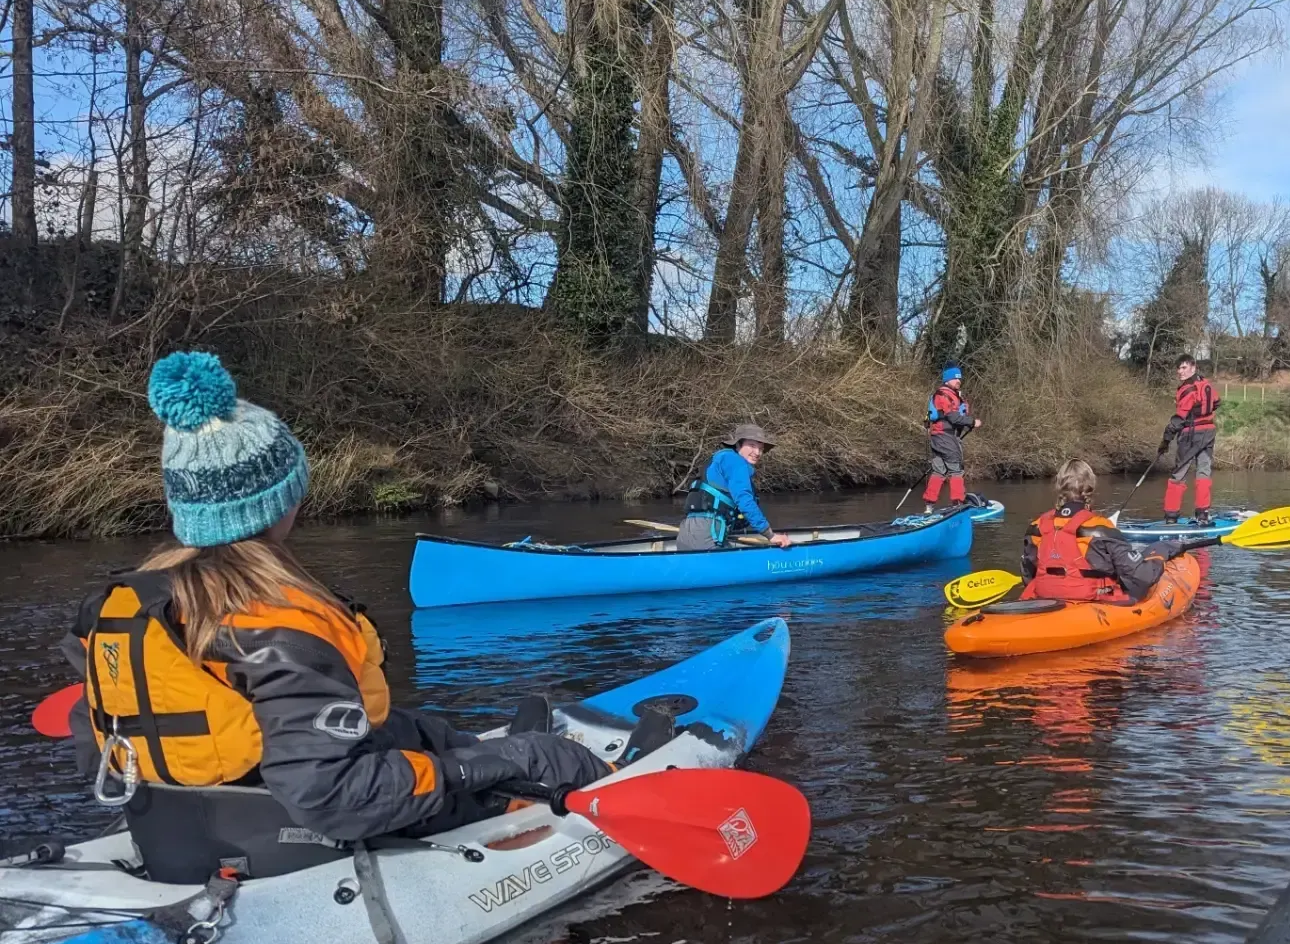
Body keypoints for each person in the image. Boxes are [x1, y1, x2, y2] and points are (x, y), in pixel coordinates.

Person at [68, 351, 613, 876]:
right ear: (282, 502)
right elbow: (332, 796)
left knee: (426, 730)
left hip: (188, 826)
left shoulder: (122, 609)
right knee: (547, 759)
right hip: (293, 836)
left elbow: (97, 743)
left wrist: (445, 748)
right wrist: (478, 767)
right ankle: (590, 793)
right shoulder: (285, 624)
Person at [1022, 459, 1171, 604]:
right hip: (1091, 599)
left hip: (1045, 597)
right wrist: (1159, 559)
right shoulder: (1101, 528)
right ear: (1090, 488)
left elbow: (1028, 575)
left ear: (1059, 487)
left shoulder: (1036, 527)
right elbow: (1140, 576)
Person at [679, 424, 794, 552]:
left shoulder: (722, 457)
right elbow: (745, 501)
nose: (757, 453)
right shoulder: (736, 462)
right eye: (752, 445)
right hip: (707, 533)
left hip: (686, 532)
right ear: (738, 444)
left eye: (761, 448)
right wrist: (770, 535)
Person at [1160, 354, 1219, 525]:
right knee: (1203, 472)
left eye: (1184, 368)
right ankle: (1202, 514)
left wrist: (1165, 441)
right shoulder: (1205, 384)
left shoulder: (1188, 390)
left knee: (1178, 474)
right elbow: (1217, 402)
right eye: (1179, 368)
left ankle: (1171, 517)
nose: (1180, 372)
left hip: (1191, 436)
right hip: (1209, 432)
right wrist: (1200, 410)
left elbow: (1178, 420)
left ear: (1193, 368)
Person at [921, 365, 982, 514]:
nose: (958, 380)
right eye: (955, 378)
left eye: (959, 378)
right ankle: (958, 504)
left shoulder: (952, 395)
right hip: (945, 438)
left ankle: (929, 507)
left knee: (939, 471)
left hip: (940, 438)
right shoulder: (943, 395)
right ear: (947, 379)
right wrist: (972, 422)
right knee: (956, 470)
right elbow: (952, 417)